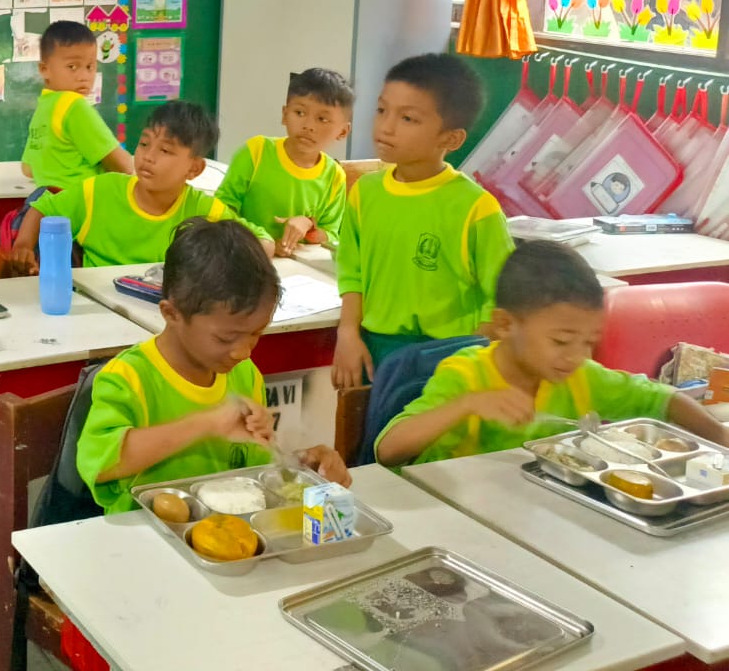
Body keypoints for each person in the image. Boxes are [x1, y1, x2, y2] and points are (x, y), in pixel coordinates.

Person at [76, 219, 349, 513]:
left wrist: (302, 466)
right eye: (225, 337)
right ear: (172, 313)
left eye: (257, 333)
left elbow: (254, 473)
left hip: (224, 536)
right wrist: (207, 423)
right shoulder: (129, 377)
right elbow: (98, 463)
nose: (243, 351)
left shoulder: (245, 376)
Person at [376, 241, 728, 465]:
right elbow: (389, 450)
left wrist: (721, 438)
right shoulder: (466, 376)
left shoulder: (581, 376)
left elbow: (662, 398)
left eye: (589, 342)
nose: (576, 355)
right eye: (561, 341)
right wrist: (466, 404)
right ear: (504, 325)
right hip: (449, 511)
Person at [333, 54, 514, 389]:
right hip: (374, 350)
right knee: (373, 441)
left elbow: (505, 298)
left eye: (408, 119)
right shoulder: (365, 192)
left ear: (451, 139)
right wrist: (347, 333)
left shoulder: (476, 208)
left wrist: (467, 358)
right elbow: (351, 271)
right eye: (382, 110)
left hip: (447, 357)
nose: (386, 127)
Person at [10, 101, 272, 271]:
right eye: (144, 144)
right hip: (97, 311)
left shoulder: (203, 211)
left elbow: (263, 241)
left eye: (166, 151)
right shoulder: (101, 190)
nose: (148, 156)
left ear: (194, 168)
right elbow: (43, 206)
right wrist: (23, 244)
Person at [216, 68, 353, 257]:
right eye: (300, 112)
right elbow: (221, 208)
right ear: (284, 114)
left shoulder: (335, 176)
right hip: (243, 258)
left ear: (343, 132)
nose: (308, 126)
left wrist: (308, 226)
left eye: (322, 119)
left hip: (295, 270)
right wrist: (262, 240)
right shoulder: (257, 151)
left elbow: (330, 234)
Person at [21, 20, 134, 191]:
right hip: (82, 207)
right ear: (44, 69)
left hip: (48, 207)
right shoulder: (74, 106)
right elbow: (124, 166)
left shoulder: (45, 107)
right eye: (72, 67)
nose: (84, 76)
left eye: (90, 66)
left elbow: (28, 169)